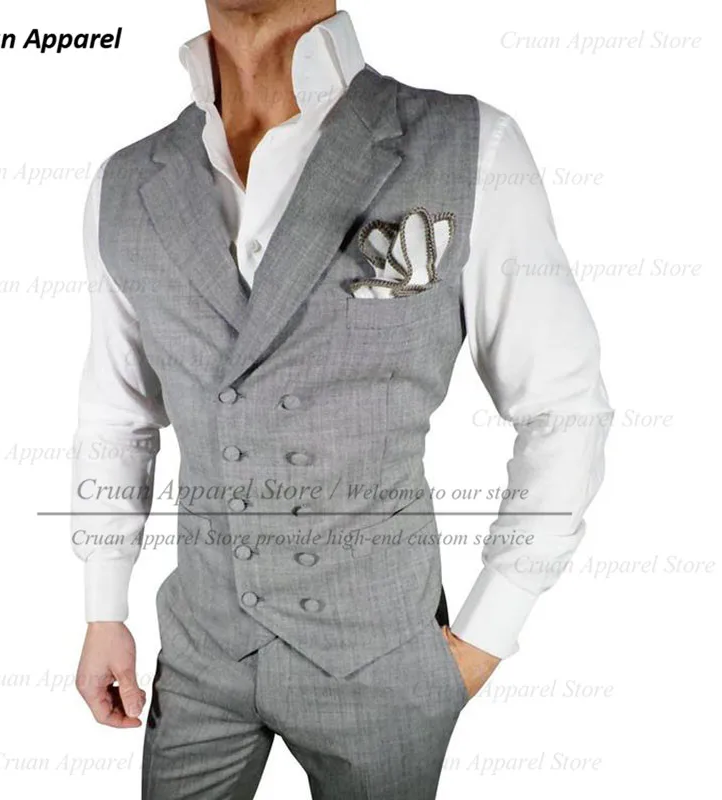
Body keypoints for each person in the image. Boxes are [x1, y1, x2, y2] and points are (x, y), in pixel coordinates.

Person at [71, 2, 613, 798]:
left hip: (384, 660)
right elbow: (118, 414)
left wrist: (485, 635)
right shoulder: (125, 182)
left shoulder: (467, 144)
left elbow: (563, 407)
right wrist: (103, 606)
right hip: (199, 654)